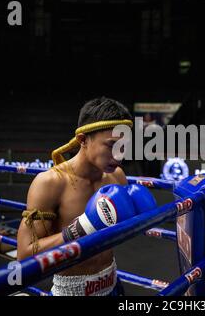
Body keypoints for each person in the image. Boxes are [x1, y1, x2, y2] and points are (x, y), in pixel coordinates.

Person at [17, 97, 156, 296]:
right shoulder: (51, 183)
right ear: (83, 140)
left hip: (112, 285)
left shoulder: (116, 176)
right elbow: (24, 255)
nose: (120, 156)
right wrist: (81, 228)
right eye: (112, 145)